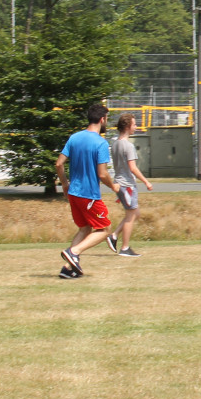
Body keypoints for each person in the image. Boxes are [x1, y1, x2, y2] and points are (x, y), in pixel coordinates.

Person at [54, 103, 120, 278]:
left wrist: (65, 184)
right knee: (105, 230)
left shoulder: (74, 138)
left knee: (84, 229)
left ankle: (67, 269)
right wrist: (113, 186)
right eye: (106, 119)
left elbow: (59, 164)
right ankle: (74, 252)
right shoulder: (100, 143)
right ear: (102, 119)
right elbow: (102, 173)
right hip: (88, 194)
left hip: (73, 193)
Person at [106, 113, 154, 258]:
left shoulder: (115, 144)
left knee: (135, 213)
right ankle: (125, 248)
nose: (136, 127)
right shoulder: (128, 145)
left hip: (119, 183)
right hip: (127, 184)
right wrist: (146, 181)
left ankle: (113, 236)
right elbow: (132, 168)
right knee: (130, 216)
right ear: (127, 127)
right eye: (134, 124)